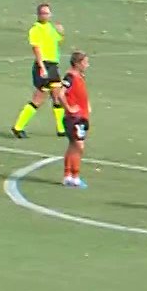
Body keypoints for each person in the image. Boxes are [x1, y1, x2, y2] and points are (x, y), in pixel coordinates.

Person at [12, 2, 67, 138]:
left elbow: (57, 41)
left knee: (57, 96)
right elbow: (36, 48)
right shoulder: (35, 29)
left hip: (53, 66)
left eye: (47, 13)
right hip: (44, 66)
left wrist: (61, 32)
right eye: (43, 13)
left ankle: (61, 129)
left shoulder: (50, 28)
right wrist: (42, 67)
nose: (45, 15)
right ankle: (18, 127)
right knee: (39, 98)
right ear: (38, 14)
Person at [58, 51, 91, 188]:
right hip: (74, 118)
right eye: (85, 62)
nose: (87, 65)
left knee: (73, 145)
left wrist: (87, 104)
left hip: (81, 116)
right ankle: (75, 177)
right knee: (79, 146)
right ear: (77, 63)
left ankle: (68, 176)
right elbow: (60, 94)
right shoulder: (70, 76)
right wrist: (69, 107)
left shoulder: (79, 76)